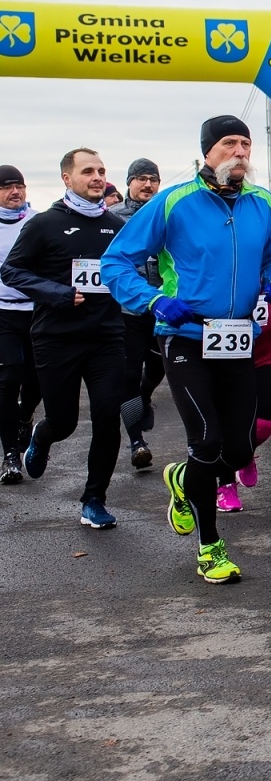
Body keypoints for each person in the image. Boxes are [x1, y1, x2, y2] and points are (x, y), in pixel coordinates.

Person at [104, 116, 271, 585]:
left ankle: (183, 480)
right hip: (185, 337)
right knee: (206, 442)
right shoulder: (174, 201)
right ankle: (211, 547)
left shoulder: (263, 202)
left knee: (241, 445)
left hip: (238, 339)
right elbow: (116, 260)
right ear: (207, 152)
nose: (240, 151)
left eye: (246, 144)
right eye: (229, 143)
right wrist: (153, 300)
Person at [0, 149, 124, 529]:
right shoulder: (44, 224)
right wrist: (56, 292)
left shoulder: (116, 225)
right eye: (88, 171)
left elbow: (129, 272)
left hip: (107, 336)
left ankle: (94, 499)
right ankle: (42, 434)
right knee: (65, 421)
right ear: (67, 179)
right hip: (57, 337)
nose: (97, 177)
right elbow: (12, 271)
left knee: (107, 416)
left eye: (101, 170)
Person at [111, 157, 164, 470]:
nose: (147, 185)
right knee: (129, 376)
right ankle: (136, 442)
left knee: (156, 371)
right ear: (129, 182)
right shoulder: (113, 217)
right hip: (126, 312)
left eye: (153, 179)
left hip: (161, 309)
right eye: (141, 179)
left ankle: (144, 397)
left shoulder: (166, 213)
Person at [217, 292, 271, 511]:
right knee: (229, 422)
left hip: (263, 354)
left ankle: (245, 452)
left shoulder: (264, 263)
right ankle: (226, 485)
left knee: (268, 419)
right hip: (226, 354)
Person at [0, 165, 39, 485]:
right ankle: (10, 455)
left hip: (39, 311)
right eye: (6, 187)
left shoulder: (37, 222)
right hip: (3, 313)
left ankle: (26, 417)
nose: (15, 192)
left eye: (19, 186)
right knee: (9, 376)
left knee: (37, 381)